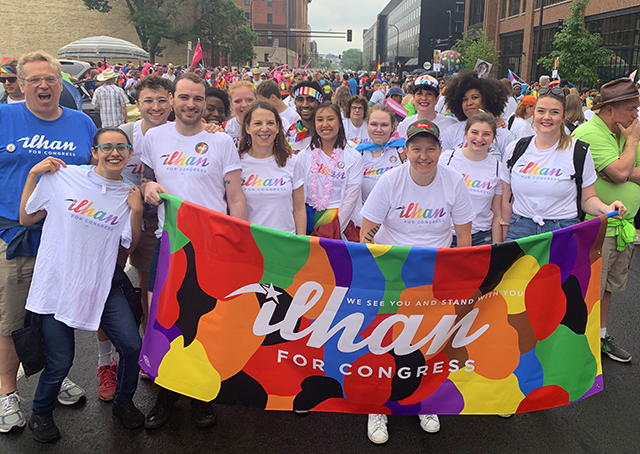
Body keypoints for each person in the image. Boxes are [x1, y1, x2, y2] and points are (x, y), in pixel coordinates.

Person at [19, 128, 144, 442]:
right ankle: (41, 411)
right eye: (107, 147)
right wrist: (34, 174)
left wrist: (138, 210)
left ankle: (124, 400)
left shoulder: (128, 194)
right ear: (94, 152)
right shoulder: (65, 177)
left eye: (121, 147)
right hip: (57, 284)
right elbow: (26, 217)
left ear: (129, 153)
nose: (114, 153)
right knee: (61, 361)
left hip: (100, 285)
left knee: (131, 345)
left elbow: (128, 247)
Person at [140, 72, 246, 430]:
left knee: (205, 322)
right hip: (170, 245)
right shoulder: (154, 137)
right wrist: (149, 185)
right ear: (172, 100)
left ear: (205, 104)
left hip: (212, 246)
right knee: (165, 320)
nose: (190, 105)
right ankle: (166, 394)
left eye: (197, 99)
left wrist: (239, 240)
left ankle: (202, 394)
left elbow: (235, 196)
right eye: (184, 98)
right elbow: (145, 178)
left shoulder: (221, 143)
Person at [360, 119, 474, 444]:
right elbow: (367, 230)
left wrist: (460, 277)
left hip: (434, 271)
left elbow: (464, 237)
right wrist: (374, 274)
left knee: (428, 340)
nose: (424, 155)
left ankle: (425, 401)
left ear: (440, 150)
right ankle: (377, 405)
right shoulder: (390, 181)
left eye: (430, 148)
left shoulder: (454, 182)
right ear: (405, 151)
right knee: (386, 340)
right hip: (391, 269)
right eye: (416, 148)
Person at [0, 51, 96, 435]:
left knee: (57, 314)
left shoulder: (82, 123)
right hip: (14, 235)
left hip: (68, 237)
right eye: (34, 79)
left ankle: (53, 378)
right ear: (21, 84)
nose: (43, 85)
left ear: (62, 83)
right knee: (11, 319)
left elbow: (97, 175)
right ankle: (7, 392)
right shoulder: (4, 118)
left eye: (50, 79)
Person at [501, 87, 625, 243]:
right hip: (520, 229)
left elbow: (587, 199)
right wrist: (505, 234)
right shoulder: (515, 149)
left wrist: (606, 208)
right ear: (534, 113)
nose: (547, 117)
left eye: (554, 112)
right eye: (541, 111)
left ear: (564, 116)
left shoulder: (579, 151)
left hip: (563, 230)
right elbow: (506, 198)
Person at [573, 78, 640, 363]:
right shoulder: (590, 132)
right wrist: (631, 148)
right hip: (597, 227)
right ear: (610, 109)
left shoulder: (623, 132)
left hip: (624, 228)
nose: (635, 115)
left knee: (610, 287)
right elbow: (620, 172)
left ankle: (599, 338)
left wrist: (623, 168)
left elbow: (623, 171)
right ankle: (578, 345)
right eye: (630, 109)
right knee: (588, 289)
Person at [297, 102, 363, 239]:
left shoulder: (354, 157)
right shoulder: (304, 156)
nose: (325, 124)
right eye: (320, 120)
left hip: (340, 221)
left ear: (340, 123)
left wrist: (333, 229)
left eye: (330, 119)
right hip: (308, 219)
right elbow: (299, 197)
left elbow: (350, 199)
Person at [239, 101, 306, 234]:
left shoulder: (292, 161)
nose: (265, 128)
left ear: (277, 127)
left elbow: (299, 209)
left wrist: (300, 243)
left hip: (285, 244)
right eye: (258, 123)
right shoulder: (237, 163)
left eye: (270, 123)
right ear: (247, 128)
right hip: (251, 245)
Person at [444, 113, 503, 245]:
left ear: (493, 137)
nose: (479, 138)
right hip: (446, 237)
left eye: (486, 134)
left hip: (481, 238)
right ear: (465, 134)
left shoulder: (498, 168)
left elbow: (497, 214)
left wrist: (497, 248)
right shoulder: (446, 159)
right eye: (474, 132)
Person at [441, 70, 513, 161]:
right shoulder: (452, 131)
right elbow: (444, 164)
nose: (469, 103)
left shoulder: (503, 133)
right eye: (464, 99)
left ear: (486, 100)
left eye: (474, 97)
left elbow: (509, 169)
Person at [356, 104, 405, 205]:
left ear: (392, 127)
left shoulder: (403, 152)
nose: (378, 129)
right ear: (367, 125)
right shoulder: (358, 154)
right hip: (365, 217)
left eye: (384, 125)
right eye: (374, 124)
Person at [397, 75, 457, 140]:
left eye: (429, 94)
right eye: (419, 94)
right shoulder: (405, 124)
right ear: (414, 98)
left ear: (436, 99)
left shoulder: (451, 124)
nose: (423, 98)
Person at [287, 81, 324, 153]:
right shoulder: (287, 132)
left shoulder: (328, 133)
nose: (305, 105)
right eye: (300, 100)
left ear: (320, 103)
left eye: (311, 100)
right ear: (295, 102)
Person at [223, 80, 256, 145]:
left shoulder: (270, 125)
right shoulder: (225, 128)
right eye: (238, 101)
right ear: (231, 105)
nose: (244, 105)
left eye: (249, 100)